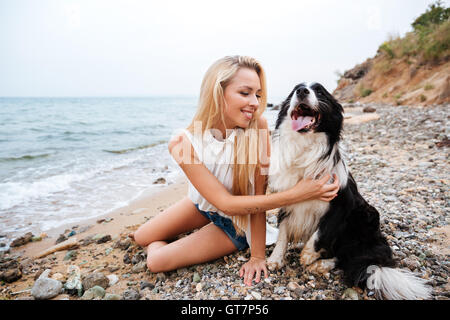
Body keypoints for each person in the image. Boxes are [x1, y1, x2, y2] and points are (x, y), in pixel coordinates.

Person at [131, 55, 339, 286]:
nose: (255, 102)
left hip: (238, 222)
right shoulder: (183, 142)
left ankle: (203, 237)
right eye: (245, 93)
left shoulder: (258, 127)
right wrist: (298, 193)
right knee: (141, 237)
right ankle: (194, 234)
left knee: (156, 261)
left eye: (258, 95)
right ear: (217, 92)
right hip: (202, 206)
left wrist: (257, 256)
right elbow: (222, 202)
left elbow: (255, 197)